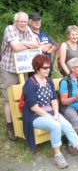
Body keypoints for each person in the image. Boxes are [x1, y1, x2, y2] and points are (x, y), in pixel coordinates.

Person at [22, 54, 78, 168]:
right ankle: (57, 155)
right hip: (35, 115)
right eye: (45, 68)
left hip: (51, 112)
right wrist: (50, 116)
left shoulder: (48, 81)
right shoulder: (30, 83)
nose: (48, 70)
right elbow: (33, 107)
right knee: (56, 125)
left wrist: (56, 113)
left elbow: (54, 100)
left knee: (67, 125)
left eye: (49, 67)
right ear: (37, 68)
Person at [0, 11, 39, 140]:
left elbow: (35, 44)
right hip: (9, 69)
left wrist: (22, 44)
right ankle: (10, 126)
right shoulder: (10, 29)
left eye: (24, 21)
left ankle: (23, 122)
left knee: (24, 96)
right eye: (20, 21)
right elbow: (15, 47)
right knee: (9, 99)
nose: (22, 24)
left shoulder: (27, 29)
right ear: (15, 21)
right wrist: (27, 44)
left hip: (23, 69)